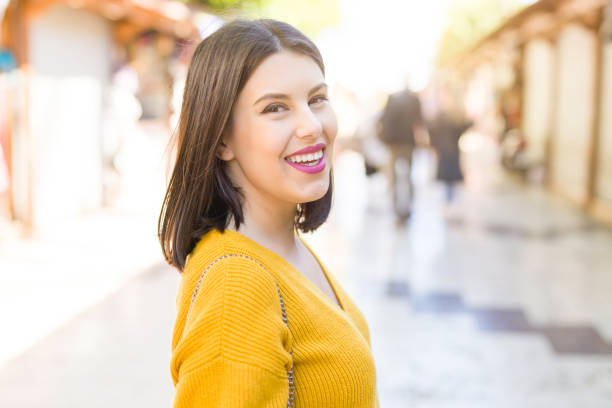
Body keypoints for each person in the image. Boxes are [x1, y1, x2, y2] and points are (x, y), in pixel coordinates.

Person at [158, 20, 379, 407]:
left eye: (316, 99)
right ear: (221, 138)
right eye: (275, 108)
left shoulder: (283, 248)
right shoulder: (236, 284)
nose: (311, 126)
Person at [378, 87, 424, 222]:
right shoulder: (414, 100)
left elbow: (383, 119)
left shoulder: (392, 98)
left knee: (393, 176)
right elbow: (420, 122)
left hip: (394, 142)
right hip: (408, 142)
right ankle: (408, 206)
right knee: (409, 175)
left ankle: (395, 207)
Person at [427, 93, 472, 205]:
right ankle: (450, 199)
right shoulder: (451, 117)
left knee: (449, 175)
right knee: (450, 175)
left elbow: (432, 130)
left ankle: (449, 199)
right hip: (450, 149)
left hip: (446, 149)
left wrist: (434, 145)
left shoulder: (444, 117)